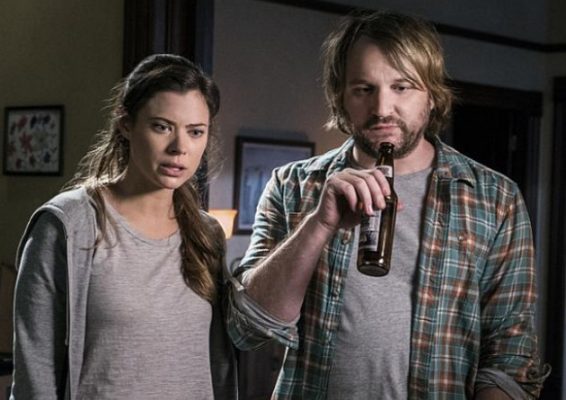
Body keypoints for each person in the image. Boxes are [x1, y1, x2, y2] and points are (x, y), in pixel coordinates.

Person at [225, 10, 549, 399]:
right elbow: (247, 329)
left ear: (432, 95)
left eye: (402, 87)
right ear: (341, 96)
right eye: (364, 89)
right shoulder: (292, 185)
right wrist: (318, 225)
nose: (382, 108)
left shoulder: (495, 198)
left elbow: (510, 357)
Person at [10, 54, 237, 399]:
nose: (180, 148)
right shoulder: (67, 225)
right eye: (162, 127)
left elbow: (218, 366)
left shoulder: (206, 234)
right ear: (126, 124)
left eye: (195, 132)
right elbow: (34, 372)